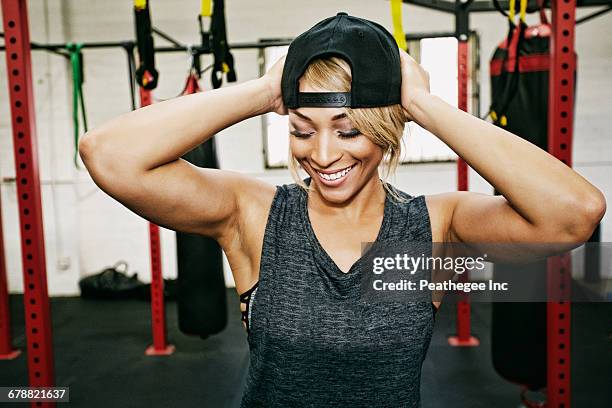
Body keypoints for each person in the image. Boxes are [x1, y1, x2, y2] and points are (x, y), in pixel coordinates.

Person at [79, 12, 605, 408]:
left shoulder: (434, 227)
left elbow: (574, 213)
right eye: (302, 131)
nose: (322, 155)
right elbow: (107, 156)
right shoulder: (254, 215)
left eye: (349, 131)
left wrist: (422, 104)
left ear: (385, 131)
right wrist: (265, 90)